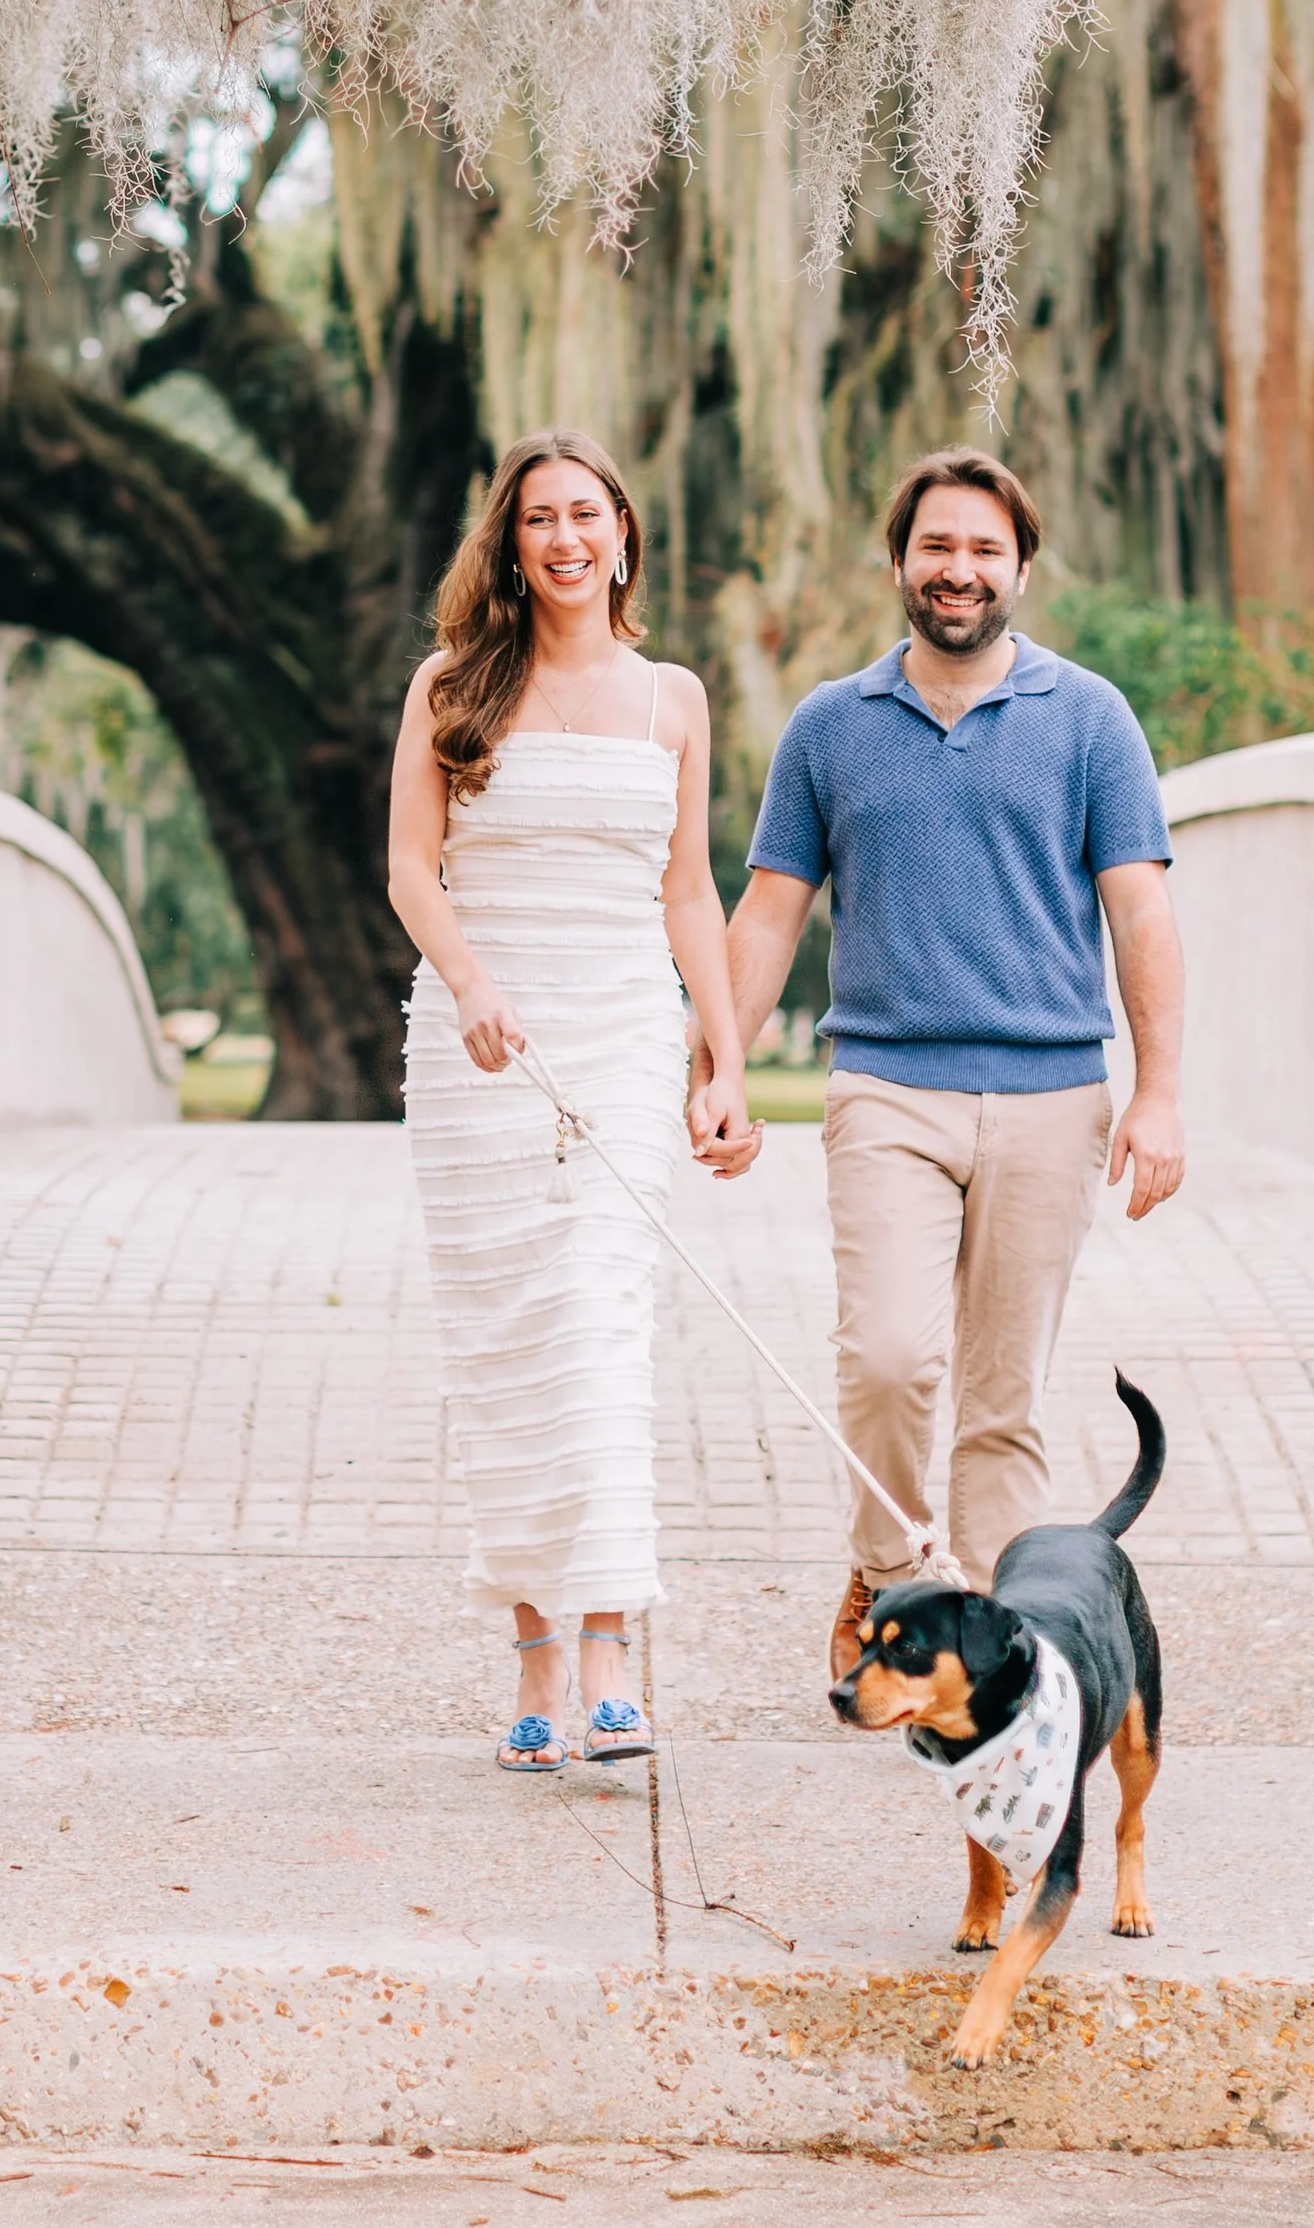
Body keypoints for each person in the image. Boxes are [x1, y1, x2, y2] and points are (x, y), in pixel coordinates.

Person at [693, 450, 1185, 1677]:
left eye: (981, 550)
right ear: (900, 563)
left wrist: (1161, 1093)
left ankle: (999, 1645)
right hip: (886, 1090)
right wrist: (718, 1067)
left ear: (1020, 567)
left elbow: (1141, 914)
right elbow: (766, 915)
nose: (957, 570)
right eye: (935, 548)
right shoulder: (829, 725)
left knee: (1002, 1396)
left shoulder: (1089, 720)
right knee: (889, 1360)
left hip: (1052, 1096)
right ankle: (885, 1565)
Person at [389, 428, 762, 1774]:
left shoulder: (673, 698)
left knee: (602, 1321)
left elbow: (687, 889)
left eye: (585, 514)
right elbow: (412, 870)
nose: (563, 538)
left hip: (614, 1038)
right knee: (512, 1347)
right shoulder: (451, 686)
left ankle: (611, 1643)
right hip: (480, 1052)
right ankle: (535, 1653)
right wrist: (474, 986)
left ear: (622, 534)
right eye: (539, 517)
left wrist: (719, 1058)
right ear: (511, 540)